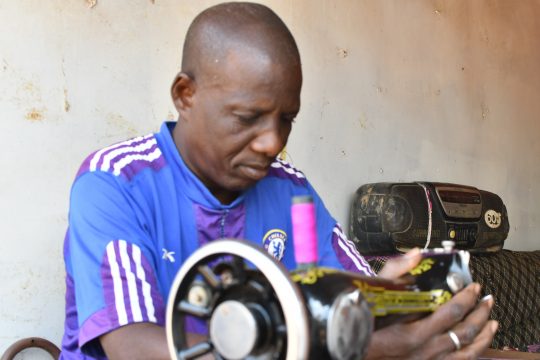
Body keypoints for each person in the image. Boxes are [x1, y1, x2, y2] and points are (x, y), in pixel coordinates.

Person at [60, 2, 498, 359]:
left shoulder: (290, 190)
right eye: (248, 118)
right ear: (185, 95)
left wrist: (393, 293)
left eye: (286, 119)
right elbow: (134, 348)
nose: (272, 143)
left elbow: (353, 299)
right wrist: (363, 348)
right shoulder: (115, 183)